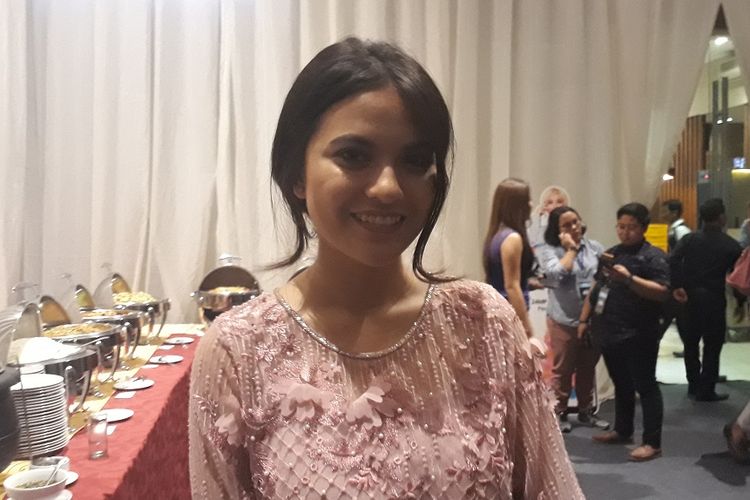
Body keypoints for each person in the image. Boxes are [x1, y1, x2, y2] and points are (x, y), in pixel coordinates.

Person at [189, 37, 583, 499]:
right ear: (296, 173)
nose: (388, 188)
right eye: (354, 155)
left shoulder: (483, 325)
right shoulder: (239, 352)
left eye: (415, 161)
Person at [578, 202, 670, 462]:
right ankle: (623, 430)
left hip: (640, 331)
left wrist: (629, 279)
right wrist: (584, 320)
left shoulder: (653, 256)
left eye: (631, 227)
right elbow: (597, 287)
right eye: (621, 226)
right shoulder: (611, 254)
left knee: (646, 386)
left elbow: (662, 292)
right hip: (609, 329)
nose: (625, 232)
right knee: (621, 384)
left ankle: (652, 442)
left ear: (643, 228)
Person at [536, 206, 609, 433]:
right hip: (563, 320)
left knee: (588, 367)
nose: (574, 228)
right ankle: (558, 413)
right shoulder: (549, 250)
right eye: (566, 225)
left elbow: (604, 278)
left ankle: (586, 411)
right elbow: (554, 277)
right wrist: (571, 250)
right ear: (556, 230)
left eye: (576, 222)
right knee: (562, 370)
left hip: (591, 320)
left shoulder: (594, 248)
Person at [670, 198, 742, 401]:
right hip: (714, 298)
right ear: (722, 218)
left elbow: (673, 259)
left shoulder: (689, 239)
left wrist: (677, 285)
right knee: (712, 345)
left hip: (689, 297)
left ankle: (693, 384)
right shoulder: (731, 245)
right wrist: (740, 301)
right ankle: (707, 388)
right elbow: (737, 275)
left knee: (691, 343)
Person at [483, 178, 535, 337]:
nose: (531, 204)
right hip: (509, 315)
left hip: (499, 311)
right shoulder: (512, 238)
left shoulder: (497, 235)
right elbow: (511, 285)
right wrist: (526, 327)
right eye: (527, 200)